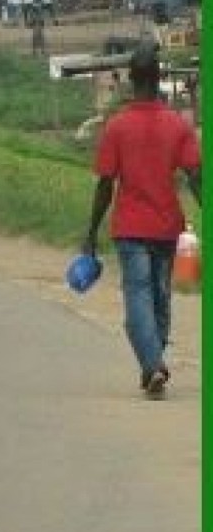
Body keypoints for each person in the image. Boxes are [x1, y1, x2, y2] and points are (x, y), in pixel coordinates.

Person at [84, 47, 201, 400]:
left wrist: (91, 231)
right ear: (158, 77)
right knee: (161, 298)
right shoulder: (177, 125)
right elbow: (196, 175)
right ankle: (154, 363)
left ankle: (152, 365)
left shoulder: (117, 127)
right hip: (167, 225)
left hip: (131, 228)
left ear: (132, 80)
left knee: (138, 296)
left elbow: (105, 183)